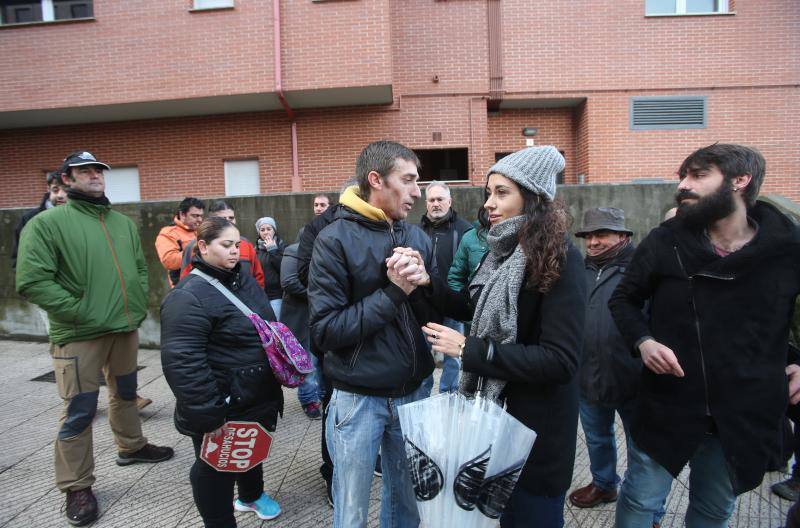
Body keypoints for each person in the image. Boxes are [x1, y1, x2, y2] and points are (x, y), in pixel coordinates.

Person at [609, 144, 800, 528]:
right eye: (683, 176)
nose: (683, 185)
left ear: (740, 181)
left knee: (713, 509)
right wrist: (643, 341)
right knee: (640, 501)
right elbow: (624, 299)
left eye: (697, 175)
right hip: (668, 404)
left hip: (740, 414)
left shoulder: (787, 249)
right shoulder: (668, 240)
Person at [411, 146, 586, 528]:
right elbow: (479, 310)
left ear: (534, 197)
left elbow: (560, 360)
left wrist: (470, 350)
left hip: (534, 437)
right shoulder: (503, 254)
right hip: (493, 426)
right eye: (489, 192)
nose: (489, 203)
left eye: (501, 192)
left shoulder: (561, 259)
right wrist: (427, 283)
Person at [15, 150, 174, 527]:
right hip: (78, 334)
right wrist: (81, 310)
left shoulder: (120, 222)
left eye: (98, 170)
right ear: (66, 179)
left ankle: (132, 447)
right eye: (83, 171)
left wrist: (135, 305)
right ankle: (76, 485)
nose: (94, 175)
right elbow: (33, 281)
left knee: (125, 393)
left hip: (123, 328)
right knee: (79, 409)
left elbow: (137, 267)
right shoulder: (47, 224)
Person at [308, 140, 438, 528]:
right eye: (409, 180)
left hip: (414, 394)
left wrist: (426, 284)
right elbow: (325, 331)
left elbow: (431, 318)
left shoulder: (416, 238)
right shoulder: (333, 240)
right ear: (376, 179)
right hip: (358, 398)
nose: (418, 192)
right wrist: (395, 290)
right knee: (350, 510)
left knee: (407, 507)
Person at [160, 217, 283, 527]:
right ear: (202, 247)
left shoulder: (243, 279)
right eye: (225, 245)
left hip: (255, 393)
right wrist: (210, 414)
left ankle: (251, 495)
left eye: (236, 245)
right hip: (223, 402)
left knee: (250, 452)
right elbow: (183, 362)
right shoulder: (188, 296)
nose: (234, 252)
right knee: (214, 472)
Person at [567, 207, 665, 526]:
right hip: (588, 374)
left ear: (622, 236)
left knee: (644, 450)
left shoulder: (642, 270)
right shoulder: (578, 270)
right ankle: (604, 484)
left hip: (633, 376)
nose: (593, 242)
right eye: (589, 236)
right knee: (596, 436)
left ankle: (649, 508)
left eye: (601, 235)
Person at [419, 180, 473, 393]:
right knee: (423, 352)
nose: (436, 203)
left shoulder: (466, 231)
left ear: (449, 201)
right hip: (424, 304)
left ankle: (448, 395)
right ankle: (422, 395)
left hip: (452, 303)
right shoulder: (417, 231)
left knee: (453, 355)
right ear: (426, 203)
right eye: (431, 200)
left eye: (440, 199)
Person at [280, 235, 323, 420]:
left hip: (321, 314)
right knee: (308, 360)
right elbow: (289, 282)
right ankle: (308, 399)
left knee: (321, 359)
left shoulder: (327, 251)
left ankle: (320, 394)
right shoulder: (293, 250)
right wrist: (320, 295)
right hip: (302, 313)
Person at [179, 200, 265, 289]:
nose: (228, 222)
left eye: (231, 218)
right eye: (223, 219)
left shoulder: (246, 244)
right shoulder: (193, 246)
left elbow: (258, 278)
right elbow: (185, 281)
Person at [11, 170, 67, 269]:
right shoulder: (29, 219)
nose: (60, 195)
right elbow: (19, 258)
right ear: (48, 189)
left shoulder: (83, 217)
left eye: (66, 190)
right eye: (55, 190)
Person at [155, 197, 205, 288]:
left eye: (201, 216)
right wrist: (198, 249)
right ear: (182, 214)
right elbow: (169, 261)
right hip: (183, 286)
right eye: (195, 216)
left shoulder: (200, 231)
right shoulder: (168, 233)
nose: (200, 220)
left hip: (202, 283)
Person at [255, 217, 286, 319]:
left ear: (274, 230)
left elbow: (283, 268)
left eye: (269, 229)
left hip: (276, 295)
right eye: (262, 230)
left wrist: (273, 250)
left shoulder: (282, 247)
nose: (266, 232)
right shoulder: (255, 250)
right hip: (260, 295)